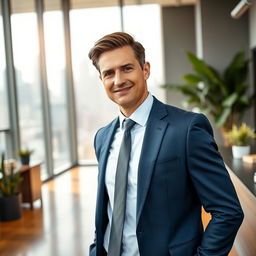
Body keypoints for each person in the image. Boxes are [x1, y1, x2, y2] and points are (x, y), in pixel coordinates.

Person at [88, 32, 244, 256]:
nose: (118, 80)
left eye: (127, 68)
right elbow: (108, 211)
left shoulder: (188, 129)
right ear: (102, 80)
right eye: (109, 73)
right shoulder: (102, 137)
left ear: (145, 70)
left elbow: (227, 211)